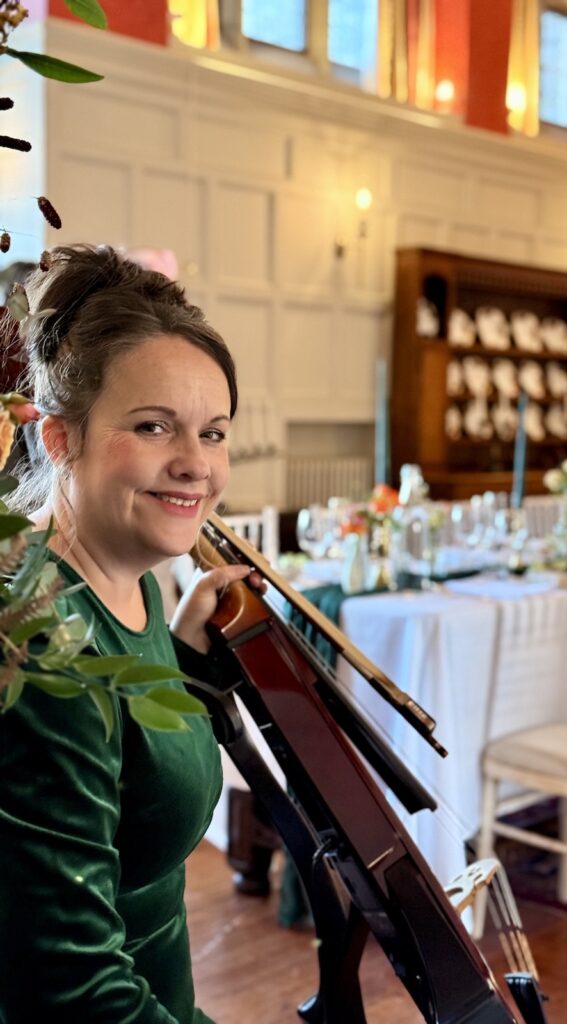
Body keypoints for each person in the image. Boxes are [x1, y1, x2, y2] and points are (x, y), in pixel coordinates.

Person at [0, 244, 261, 1023]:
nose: (195, 466)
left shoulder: (129, 573)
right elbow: (73, 995)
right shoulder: (40, 644)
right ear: (58, 439)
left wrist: (177, 656)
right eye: (154, 427)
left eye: (213, 434)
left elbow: (119, 776)